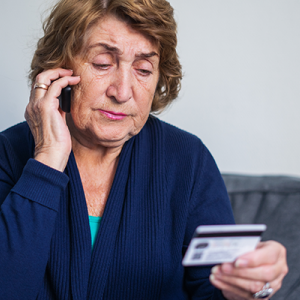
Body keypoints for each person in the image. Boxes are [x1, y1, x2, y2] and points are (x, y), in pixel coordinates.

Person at [0, 0, 287, 299]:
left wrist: (252, 286)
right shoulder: (8, 154)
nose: (122, 92)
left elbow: (214, 289)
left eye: (143, 69)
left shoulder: (188, 160)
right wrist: (46, 159)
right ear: (59, 68)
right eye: (102, 63)